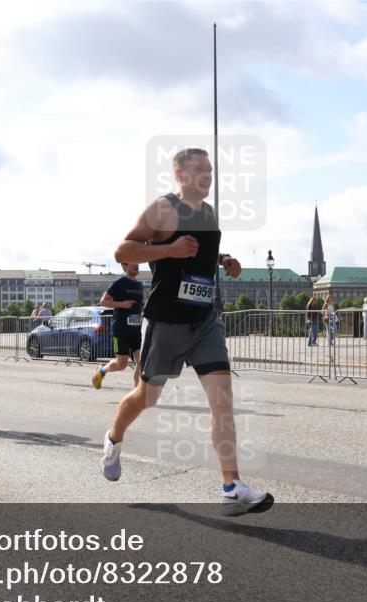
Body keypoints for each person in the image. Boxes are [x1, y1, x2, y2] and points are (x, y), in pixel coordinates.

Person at [100, 147, 273, 517]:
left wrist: (224, 260)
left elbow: (201, 253)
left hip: (205, 319)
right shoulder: (162, 209)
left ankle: (231, 488)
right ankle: (113, 439)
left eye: (209, 170)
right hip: (167, 320)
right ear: (180, 174)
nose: (207, 176)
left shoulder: (208, 213)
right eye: (199, 170)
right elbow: (123, 250)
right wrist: (170, 250)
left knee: (223, 402)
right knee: (146, 398)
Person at [92, 262, 144, 389]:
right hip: (120, 330)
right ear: (125, 266)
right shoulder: (119, 283)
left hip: (135, 330)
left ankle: (137, 394)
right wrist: (122, 304)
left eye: (137, 261)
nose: (136, 264)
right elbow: (103, 301)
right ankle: (102, 371)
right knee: (122, 365)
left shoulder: (139, 285)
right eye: (133, 261)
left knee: (141, 362)